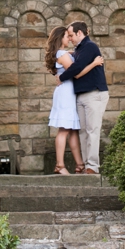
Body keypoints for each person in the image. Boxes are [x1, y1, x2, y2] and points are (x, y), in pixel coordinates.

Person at [45, 25, 104, 175]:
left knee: (73, 131)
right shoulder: (61, 53)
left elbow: (73, 58)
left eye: (70, 36)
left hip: (69, 93)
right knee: (64, 130)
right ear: (60, 38)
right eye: (67, 36)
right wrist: (94, 63)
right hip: (65, 93)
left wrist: (73, 52)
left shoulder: (63, 53)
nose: (69, 39)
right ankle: (60, 165)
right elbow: (76, 73)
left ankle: (79, 165)